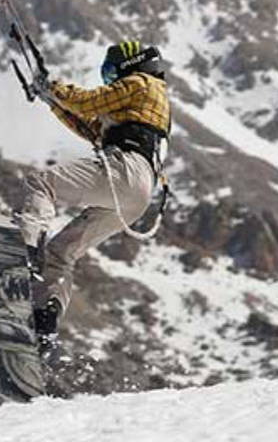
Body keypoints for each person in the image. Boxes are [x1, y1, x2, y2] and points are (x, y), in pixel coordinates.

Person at [17, 40, 171, 349]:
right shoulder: (145, 105)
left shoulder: (141, 83)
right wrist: (50, 98)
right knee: (62, 252)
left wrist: (52, 86)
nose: (111, 79)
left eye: (112, 71)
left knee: (41, 184)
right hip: (139, 195)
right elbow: (88, 126)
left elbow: (88, 102)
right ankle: (45, 321)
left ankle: (26, 249)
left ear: (130, 63)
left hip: (125, 168)